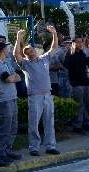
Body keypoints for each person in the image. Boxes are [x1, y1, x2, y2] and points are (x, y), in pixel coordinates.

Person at [15, 25, 60, 155]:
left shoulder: (44, 58)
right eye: (28, 53)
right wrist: (18, 39)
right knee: (34, 124)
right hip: (35, 97)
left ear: (35, 51)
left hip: (47, 95)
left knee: (49, 122)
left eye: (32, 51)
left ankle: (50, 146)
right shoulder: (26, 64)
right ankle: (34, 147)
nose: (30, 54)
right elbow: (16, 55)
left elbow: (54, 47)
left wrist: (54, 33)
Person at [0, 41, 23, 159]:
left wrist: (12, 77)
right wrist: (12, 77)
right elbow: (8, 79)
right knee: (5, 126)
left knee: (13, 126)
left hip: (13, 98)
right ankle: (1, 151)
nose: (9, 49)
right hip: (4, 100)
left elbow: (17, 77)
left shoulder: (7, 63)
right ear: (3, 51)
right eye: (7, 48)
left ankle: (8, 149)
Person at [64, 34, 89, 134]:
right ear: (73, 43)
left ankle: (86, 123)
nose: (80, 44)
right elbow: (66, 65)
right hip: (76, 84)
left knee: (86, 104)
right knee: (79, 105)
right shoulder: (70, 54)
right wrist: (70, 52)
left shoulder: (82, 54)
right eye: (78, 42)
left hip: (85, 82)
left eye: (81, 42)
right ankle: (77, 125)